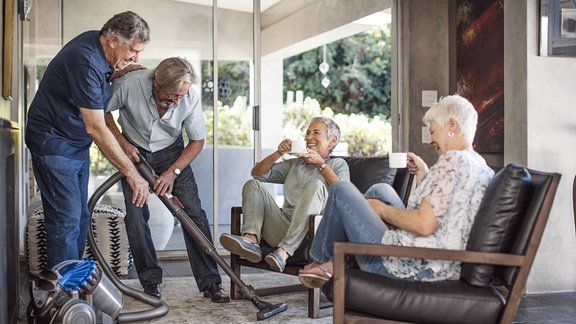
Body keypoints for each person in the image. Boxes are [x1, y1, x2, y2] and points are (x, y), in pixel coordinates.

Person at [298, 95, 494, 288]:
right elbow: (448, 211)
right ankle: (342, 259)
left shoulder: (452, 161)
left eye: (433, 131)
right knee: (381, 189)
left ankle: (322, 261)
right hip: (439, 259)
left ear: (452, 125)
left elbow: (424, 225)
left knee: (341, 189)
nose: (430, 140)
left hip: (414, 265)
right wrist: (424, 173)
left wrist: (381, 210)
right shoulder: (478, 164)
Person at [25, 11, 151, 270]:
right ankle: (61, 299)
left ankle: (71, 281)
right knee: (66, 220)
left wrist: (119, 73)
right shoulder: (85, 59)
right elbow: (95, 126)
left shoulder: (98, 46)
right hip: (54, 143)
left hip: (74, 144)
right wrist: (131, 173)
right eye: (133, 51)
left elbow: (93, 93)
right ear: (114, 39)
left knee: (81, 217)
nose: (135, 58)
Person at [104, 57, 229, 302]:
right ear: (156, 83)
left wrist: (174, 171)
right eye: (172, 95)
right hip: (134, 154)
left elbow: (197, 141)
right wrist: (123, 145)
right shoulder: (130, 84)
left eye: (181, 96)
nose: (176, 102)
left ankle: (211, 282)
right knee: (136, 216)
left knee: (193, 214)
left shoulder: (188, 98)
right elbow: (103, 115)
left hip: (172, 154)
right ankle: (150, 282)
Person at [220, 117, 350, 273]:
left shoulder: (338, 164)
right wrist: (278, 153)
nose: (308, 137)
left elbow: (344, 193)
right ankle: (251, 240)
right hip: (282, 228)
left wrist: (320, 164)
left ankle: (284, 252)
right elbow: (258, 174)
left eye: (316, 133)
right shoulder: (295, 164)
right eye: (307, 133)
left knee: (315, 185)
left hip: (309, 234)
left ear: (332, 141)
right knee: (252, 185)